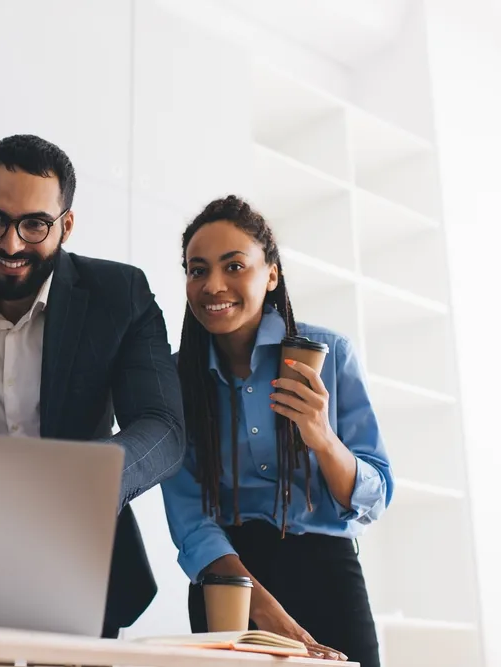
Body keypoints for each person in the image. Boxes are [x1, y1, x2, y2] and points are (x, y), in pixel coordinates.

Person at [0, 134, 185, 638]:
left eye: (34, 225)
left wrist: (90, 478)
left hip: (79, 561)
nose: (11, 244)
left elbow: (163, 428)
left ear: (66, 225)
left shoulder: (120, 294)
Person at [161, 195, 393, 664]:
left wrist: (322, 436)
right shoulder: (175, 381)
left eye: (234, 266)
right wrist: (264, 611)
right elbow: (190, 520)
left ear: (271, 274)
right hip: (226, 585)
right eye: (198, 270)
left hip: (328, 575)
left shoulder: (331, 354)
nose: (213, 285)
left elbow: (374, 497)